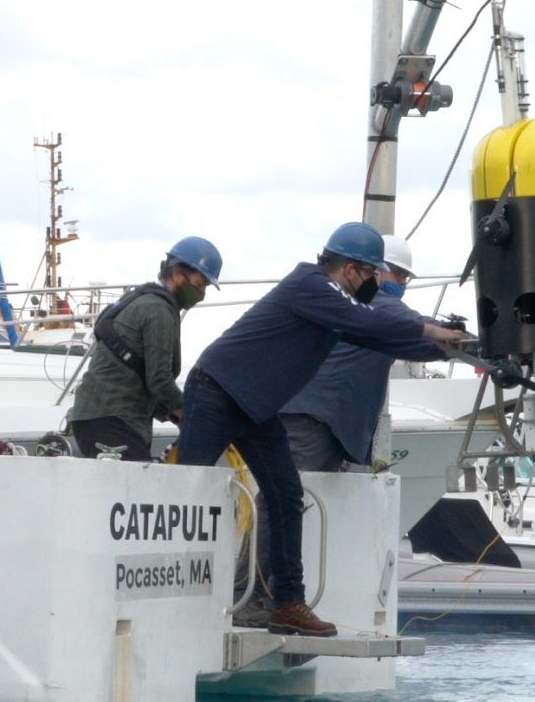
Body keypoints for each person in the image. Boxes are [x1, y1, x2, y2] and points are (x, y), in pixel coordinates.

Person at [178, 223, 469, 637]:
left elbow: (376, 335)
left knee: (286, 497)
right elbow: (368, 322)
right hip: (217, 391)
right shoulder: (311, 284)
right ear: (350, 270)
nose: (376, 284)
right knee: (185, 489)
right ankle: (175, 595)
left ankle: (287, 604)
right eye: (372, 275)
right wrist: (431, 331)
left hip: (257, 407)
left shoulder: (334, 306)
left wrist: (445, 347)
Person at [65, 237, 222, 460]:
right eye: (199, 285)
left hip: (98, 418)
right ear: (178, 274)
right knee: (136, 492)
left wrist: (172, 412)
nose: (201, 293)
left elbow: (137, 376)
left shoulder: (143, 300)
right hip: (112, 421)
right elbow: (159, 380)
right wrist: (191, 415)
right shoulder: (158, 311)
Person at [280, 234, 425, 474]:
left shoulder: (353, 307)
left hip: (315, 422)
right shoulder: (377, 303)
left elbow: (412, 340)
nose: (401, 282)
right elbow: (418, 329)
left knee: (302, 500)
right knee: (291, 498)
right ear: (375, 271)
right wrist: (470, 343)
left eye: (405, 277)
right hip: (313, 422)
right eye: (397, 273)